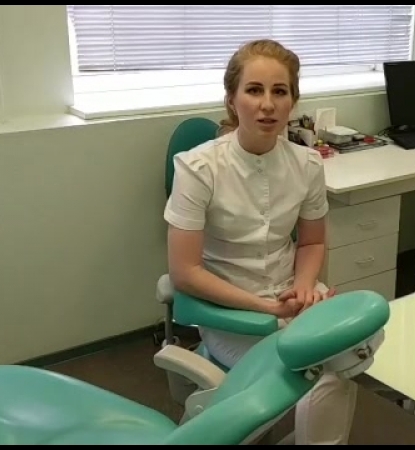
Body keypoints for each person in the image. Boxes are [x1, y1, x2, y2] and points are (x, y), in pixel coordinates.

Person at [163, 39, 357, 445]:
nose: (267, 104)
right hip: (233, 315)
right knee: (309, 368)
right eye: (254, 90)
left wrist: (305, 286)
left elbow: (312, 244)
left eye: (279, 91)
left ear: (292, 102)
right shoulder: (199, 168)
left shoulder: (307, 164)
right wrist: (267, 308)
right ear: (232, 100)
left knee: (348, 358)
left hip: (295, 302)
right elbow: (185, 273)